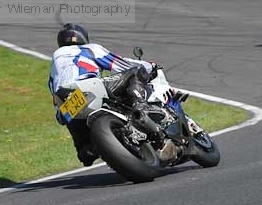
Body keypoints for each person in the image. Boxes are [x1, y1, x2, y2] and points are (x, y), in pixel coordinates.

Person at [48, 23, 181, 166]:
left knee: (85, 153)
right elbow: (121, 64)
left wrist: (65, 117)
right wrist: (150, 66)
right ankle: (141, 106)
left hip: (67, 104)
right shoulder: (89, 48)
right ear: (83, 37)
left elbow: (57, 106)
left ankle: (86, 148)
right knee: (135, 72)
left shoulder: (53, 66)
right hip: (88, 86)